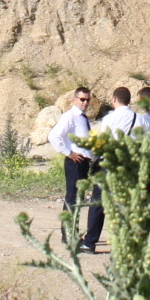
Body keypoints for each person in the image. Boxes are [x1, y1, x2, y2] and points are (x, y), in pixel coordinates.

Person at [48, 87, 104, 252]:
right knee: (72, 198)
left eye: (87, 100)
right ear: (74, 100)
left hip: (84, 162)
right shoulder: (70, 116)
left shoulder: (82, 118)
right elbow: (54, 136)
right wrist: (69, 153)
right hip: (75, 162)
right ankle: (68, 234)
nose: (85, 103)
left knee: (78, 199)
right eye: (82, 99)